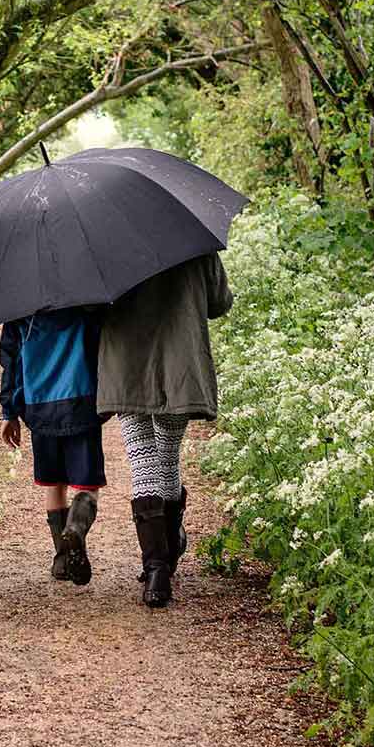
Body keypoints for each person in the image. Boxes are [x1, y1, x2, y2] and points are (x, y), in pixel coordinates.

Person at [96, 252, 233, 608]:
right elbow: (219, 303)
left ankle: (156, 570)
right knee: (167, 458)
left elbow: (88, 306)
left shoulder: (105, 243)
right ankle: (167, 555)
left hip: (127, 365)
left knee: (143, 461)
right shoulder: (194, 241)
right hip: (180, 364)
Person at [0, 307, 105, 585]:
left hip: (39, 406)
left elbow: (10, 361)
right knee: (87, 486)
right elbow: (105, 346)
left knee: (54, 483)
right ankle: (75, 530)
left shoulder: (20, 307)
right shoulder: (87, 300)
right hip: (83, 402)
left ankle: (61, 558)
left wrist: (9, 412)